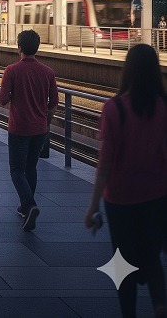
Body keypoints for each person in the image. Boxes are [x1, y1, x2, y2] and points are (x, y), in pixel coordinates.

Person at [85, 44, 167, 318]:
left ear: (127, 70)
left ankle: (128, 313)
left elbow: (105, 164)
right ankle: (159, 305)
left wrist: (92, 206)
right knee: (152, 255)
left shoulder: (114, 109)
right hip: (157, 195)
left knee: (123, 261)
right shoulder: (163, 107)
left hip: (120, 198)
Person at [0, 29, 59, 232]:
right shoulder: (48, 72)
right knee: (31, 167)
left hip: (19, 128)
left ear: (19, 47)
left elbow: (3, 99)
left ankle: (29, 204)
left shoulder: (12, 70)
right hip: (40, 128)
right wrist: (46, 119)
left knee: (16, 169)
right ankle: (25, 208)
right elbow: (54, 102)